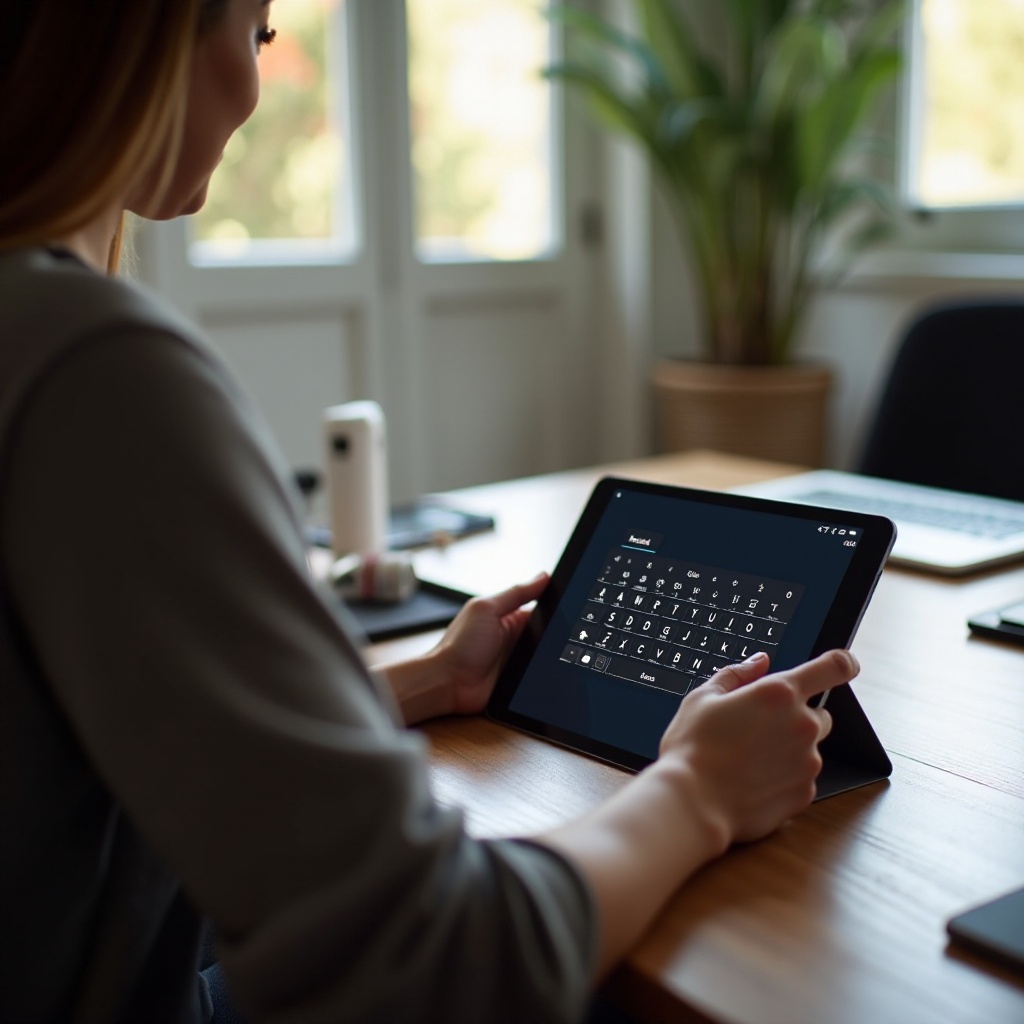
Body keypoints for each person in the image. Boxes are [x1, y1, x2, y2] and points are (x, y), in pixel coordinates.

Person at [0, 2, 859, 1021]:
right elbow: (429, 958)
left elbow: (114, 756)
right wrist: (698, 792)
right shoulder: (93, 372)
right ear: (149, 38)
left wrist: (421, 684)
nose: (255, 81)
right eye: (261, 33)